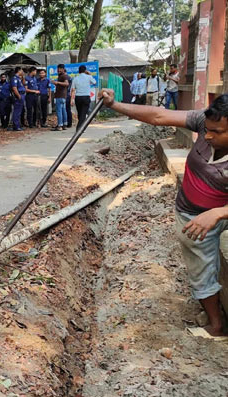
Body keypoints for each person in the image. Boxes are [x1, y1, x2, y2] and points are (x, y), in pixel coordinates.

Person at [100, 88, 228, 338]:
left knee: (202, 269)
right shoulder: (205, 122)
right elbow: (159, 116)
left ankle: (216, 326)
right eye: (207, 130)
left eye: (217, 132)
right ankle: (214, 308)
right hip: (192, 214)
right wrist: (115, 105)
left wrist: (219, 213)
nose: (208, 136)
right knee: (201, 261)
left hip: (213, 215)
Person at [71, 65, 96, 130]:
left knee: (80, 113)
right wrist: (90, 74)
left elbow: (73, 89)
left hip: (78, 98)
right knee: (83, 113)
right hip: (86, 97)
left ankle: (81, 126)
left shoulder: (75, 78)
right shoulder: (88, 77)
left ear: (79, 71)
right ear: (85, 70)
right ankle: (79, 128)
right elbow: (94, 82)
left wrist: (72, 99)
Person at [51, 64, 69, 131]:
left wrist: (57, 82)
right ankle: (64, 124)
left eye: (60, 69)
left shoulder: (64, 76)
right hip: (62, 96)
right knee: (63, 111)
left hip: (60, 96)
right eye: (58, 68)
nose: (58, 70)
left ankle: (60, 125)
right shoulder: (62, 76)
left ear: (63, 69)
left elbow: (66, 84)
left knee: (59, 111)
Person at [10, 66, 26, 131]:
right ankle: (16, 126)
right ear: (19, 71)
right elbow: (14, 88)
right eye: (22, 71)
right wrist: (18, 95)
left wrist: (23, 77)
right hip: (18, 95)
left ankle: (18, 125)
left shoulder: (19, 78)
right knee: (17, 111)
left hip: (22, 94)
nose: (22, 72)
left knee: (19, 111)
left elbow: (24, 84)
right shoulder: (14, 78)